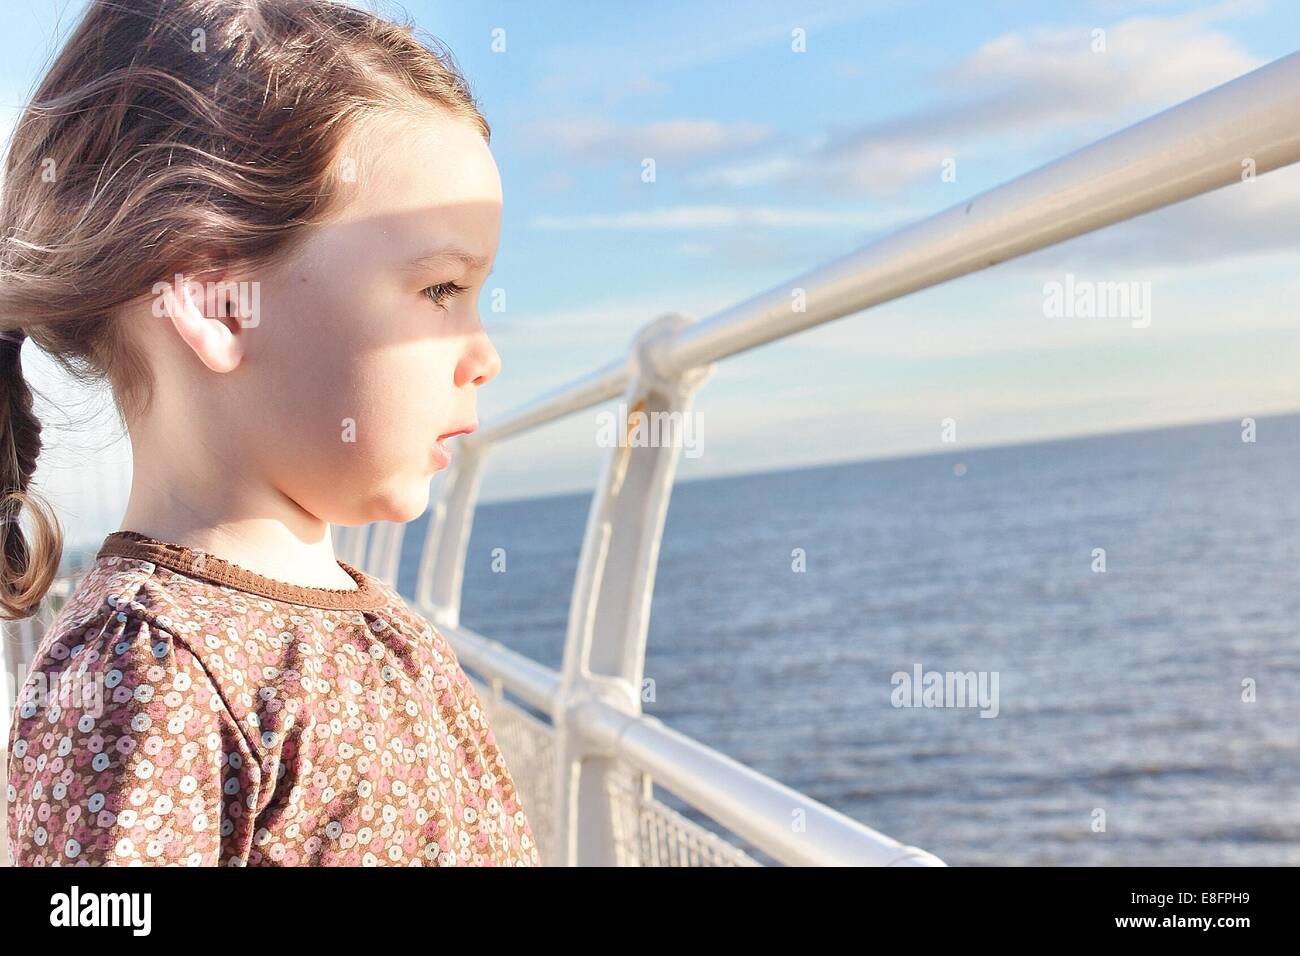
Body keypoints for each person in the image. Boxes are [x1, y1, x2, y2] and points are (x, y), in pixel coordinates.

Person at [1, 0, 538, 866]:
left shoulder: (359, 620)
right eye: (441, 289)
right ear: (218, 305)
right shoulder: (150, 677)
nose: (485, 355)